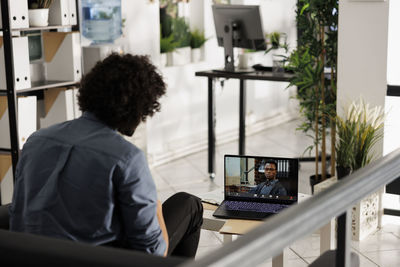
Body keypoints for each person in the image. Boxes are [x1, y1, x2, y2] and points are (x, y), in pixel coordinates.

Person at [9, 54, 203, 258]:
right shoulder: (126, 158)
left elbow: (18, 216)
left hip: (30, 258)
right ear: (139, 107)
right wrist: (155, 205)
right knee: (190, 204)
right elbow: (154, 253)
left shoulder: (36, 140)